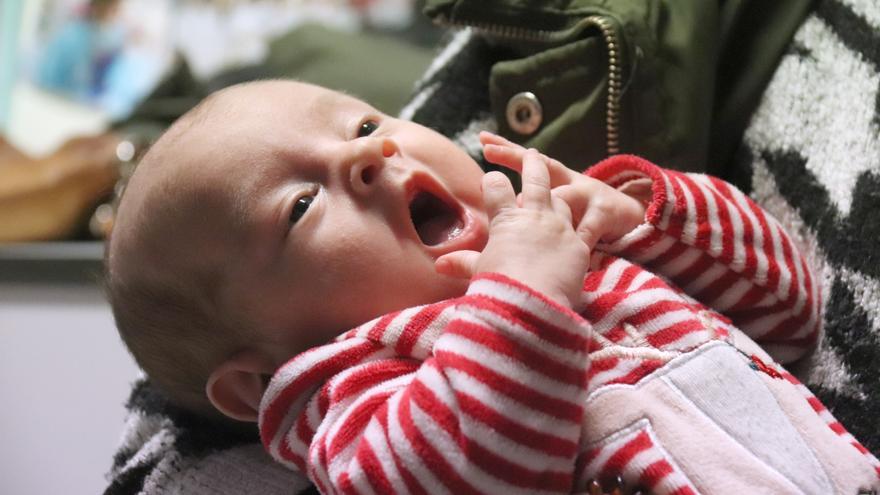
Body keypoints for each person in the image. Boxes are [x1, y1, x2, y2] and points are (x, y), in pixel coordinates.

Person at [105, 79, 879, 494]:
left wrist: (646, 216)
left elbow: (790, 311)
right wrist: (522, 297)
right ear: (255, 381)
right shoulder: (352, 392)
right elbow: (455, 473)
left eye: (364, 127)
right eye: (301, 206)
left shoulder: (583, 250)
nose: (365, 160)